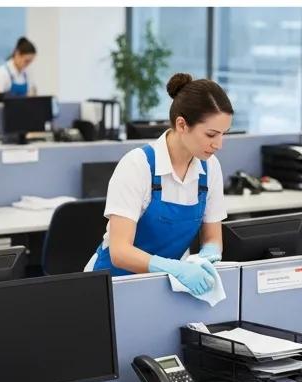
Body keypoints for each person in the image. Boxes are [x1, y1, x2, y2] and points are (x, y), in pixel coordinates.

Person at [86, 73, 231, 298]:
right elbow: (120, 252)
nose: (219, 144)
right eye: (211, 134)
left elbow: (213, 236)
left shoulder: (210, 168)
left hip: (164, 287)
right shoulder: (138, 165)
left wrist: (209, 253)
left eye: (224, 134)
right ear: (182, 124)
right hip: (112, 286)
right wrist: (175, 268)